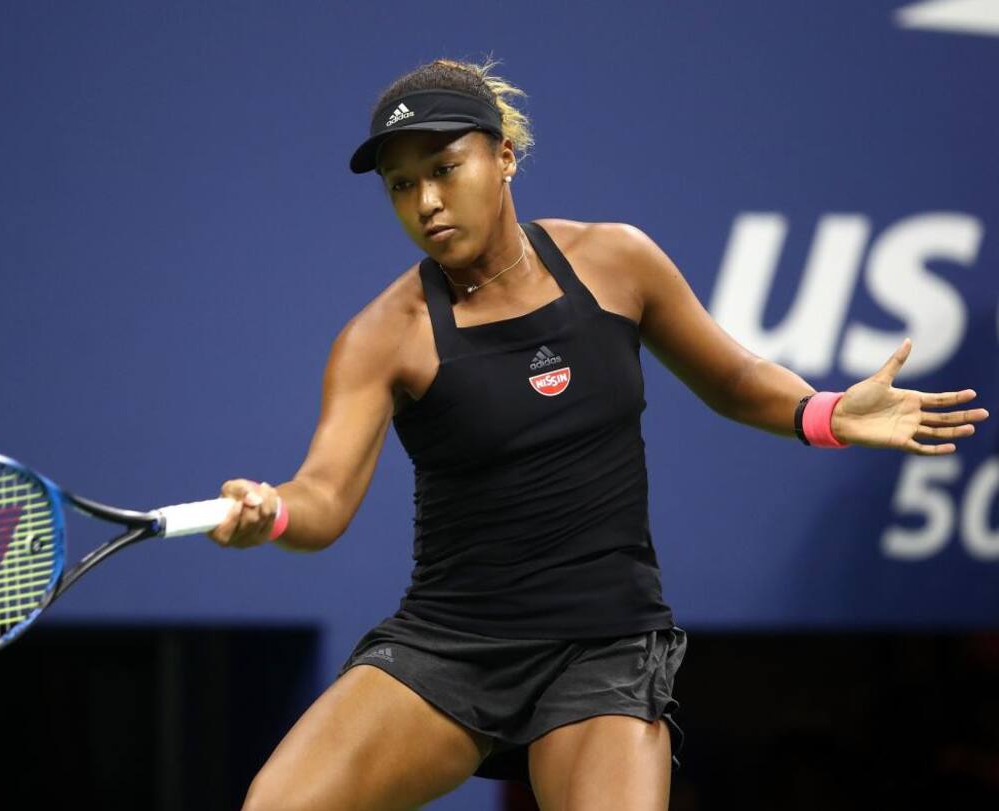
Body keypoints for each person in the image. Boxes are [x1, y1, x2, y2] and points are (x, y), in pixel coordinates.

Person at [209, 58, 990, 811]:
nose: (426, 202)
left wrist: (823, 414)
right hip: (449, 646)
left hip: (605, 646)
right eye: (401, 185)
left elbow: (736, 378)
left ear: (504, 156)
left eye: (445, 168)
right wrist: (273, 510)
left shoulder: (616, 261)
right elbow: (325, 496)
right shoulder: (384, 335)